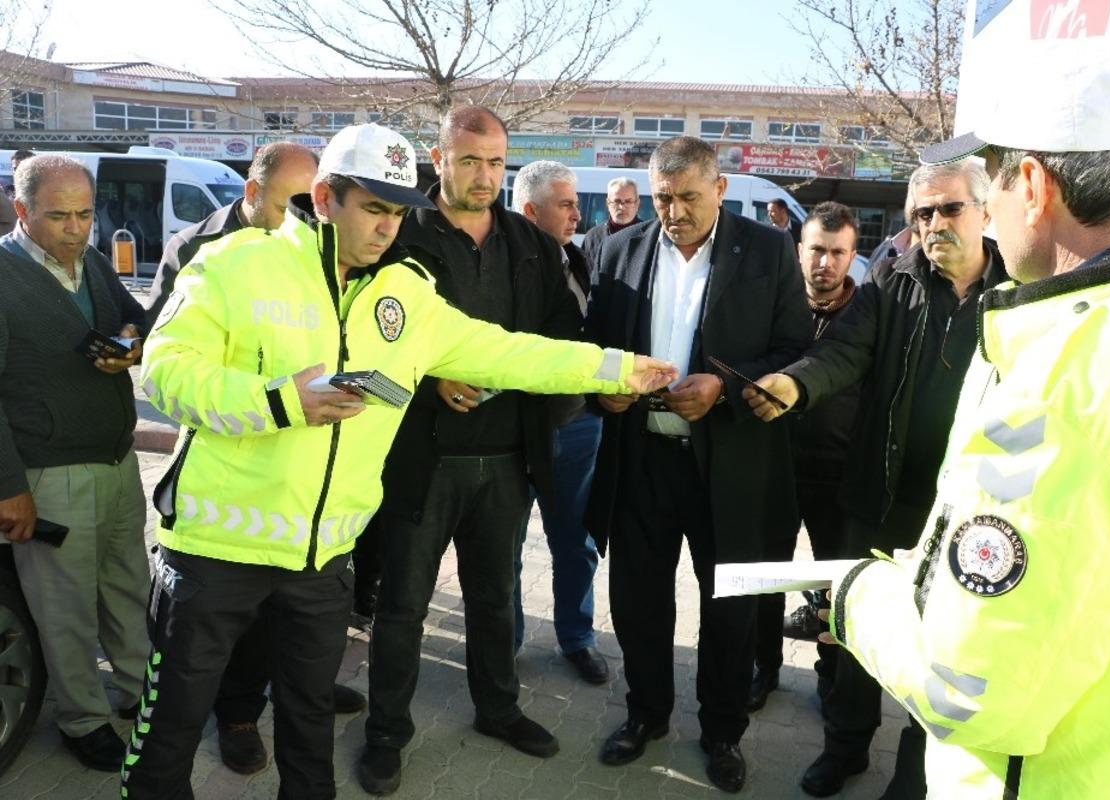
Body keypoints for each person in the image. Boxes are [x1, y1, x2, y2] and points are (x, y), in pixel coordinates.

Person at [121, 122, 675, 800]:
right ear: (324, 198)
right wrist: (279, 401)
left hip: (322, 562)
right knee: (168, 735)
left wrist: (615, 366)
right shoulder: (235, 263)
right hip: (215, 552)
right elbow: (166, 373)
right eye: (374, 209)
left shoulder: (406, 293)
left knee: (308, 735)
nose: (388, 228)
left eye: (397, 212)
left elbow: (507, 351)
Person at [777, 43, 1110, 800]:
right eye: (923, 213)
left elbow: (968, 686)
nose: (940, 222)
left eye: (989, 183)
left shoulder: (1066, 379)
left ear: (1030, 186)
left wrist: (857, 595)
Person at [744, 158, 1007, 799]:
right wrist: (796, 384)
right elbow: (845, 350)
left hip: (969, 509)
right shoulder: (893, 279)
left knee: (946, 645)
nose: (935, 223)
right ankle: (845, 749)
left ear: (985, 211)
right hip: (881, 496)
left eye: (949, 208)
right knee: (858, 631)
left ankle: (915, 774)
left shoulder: (1017, 289)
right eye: (923, 213)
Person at [358, 108, 601, 795]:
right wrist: (428, 378)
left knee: (495, 600)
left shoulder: (530, 243)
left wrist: (559, 406)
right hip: (420, 459)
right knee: (402, 606)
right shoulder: (401, 234)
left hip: (506, 460)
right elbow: (363, 337)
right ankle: (386, 734)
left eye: (496, 162)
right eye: (469, 161)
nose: (484, 176)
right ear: (440, 160)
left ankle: (498, 709)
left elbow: (560, 338)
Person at [586, 136, 812, 793]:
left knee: (729, 609)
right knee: (638, 601)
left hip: (728, 464)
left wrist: (725, 387)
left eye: (688, 197)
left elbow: (796, 348)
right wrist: (602, 389)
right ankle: (645, 714)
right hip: (642, 460)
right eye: (663, 198)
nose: (675, 212)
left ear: (720, 189)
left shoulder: (767, 250)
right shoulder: (619, 250)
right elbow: (594, 344)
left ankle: (722, 732)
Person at [145, 141, 367, 775]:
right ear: (253, 192)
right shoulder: (204, 251)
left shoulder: (333, 262)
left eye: (316, 202)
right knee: (199, 665)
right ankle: (237, 717)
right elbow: (167, 362)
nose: (310, 217)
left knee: (287, 643)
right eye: (294, 202)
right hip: (221, 510)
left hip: (305, 516)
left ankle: (278, 695)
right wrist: (276, 399)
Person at [0, 155, 149, 772]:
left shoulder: (92, 262)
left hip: (117, 460)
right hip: (49, 475)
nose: (75, 229)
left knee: (127, 588)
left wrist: (131, 341)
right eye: (59, 215)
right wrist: (9, 489)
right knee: (64, 609)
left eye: (86, 214)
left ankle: (142, 694)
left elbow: (135, 315)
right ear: (22, 210)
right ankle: (82, 719)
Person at [749, 201, 861, 714]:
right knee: (766, 575)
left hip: (838, 475)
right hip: (774, 467)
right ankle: (763, 667)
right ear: (799, 251)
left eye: (838, 253)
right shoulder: (776, 305)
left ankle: (831, 674)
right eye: (817, 250)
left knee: (836, 582)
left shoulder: (868, 315)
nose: (825, 263)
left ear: (853, 256)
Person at [509, 160, 609, 684]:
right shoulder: (499, 266)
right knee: (505, 548)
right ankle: (504, 644)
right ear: (530, 210)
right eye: (566, 204)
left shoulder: (580, 259)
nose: (577, 214)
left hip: (577, 424)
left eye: (576, 204)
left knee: (576, 543)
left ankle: (577, 638)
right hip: (512, 430)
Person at [144, 141, 318, 330]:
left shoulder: (316, 244)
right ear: (252, 191)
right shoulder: (188, 247)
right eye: (284, 210)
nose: (296, 224)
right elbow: (158, 331)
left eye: (304, 214)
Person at [581, 176, 640, 265]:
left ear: (637, 204)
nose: (622, 207)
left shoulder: (649, 236)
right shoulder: (593, 237)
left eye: (628, 201)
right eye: (617, 201)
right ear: (608, 203)